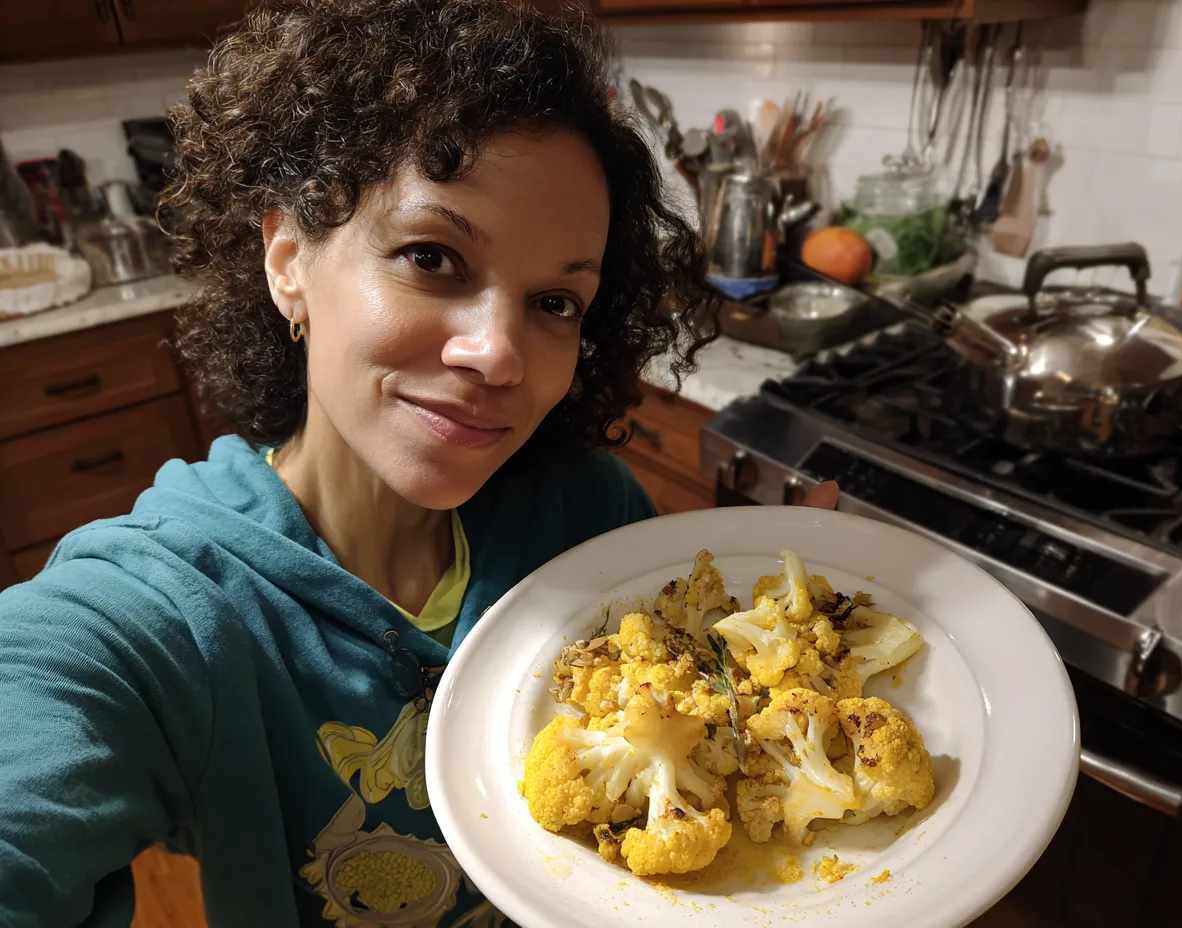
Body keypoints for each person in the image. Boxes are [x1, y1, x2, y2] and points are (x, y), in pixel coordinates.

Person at [0, 2, 839, 925]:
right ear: (287, 258)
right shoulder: (165, 614)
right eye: (431, 256)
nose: (500, 353)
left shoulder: (590, 513)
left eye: (556, 301)